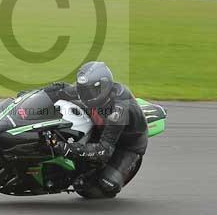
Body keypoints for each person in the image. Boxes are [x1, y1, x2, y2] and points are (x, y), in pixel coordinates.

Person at [42, 61, 148, 197]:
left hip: (126, 144)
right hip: (101, 128)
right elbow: (60, 89)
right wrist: (29, 97)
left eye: (89, 91)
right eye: (82, 90)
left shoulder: (119, 111)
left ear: (103, 87)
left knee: (99, 185)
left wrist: (68, 148)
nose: (84, 95)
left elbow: (104, 150)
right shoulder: (89, 92)